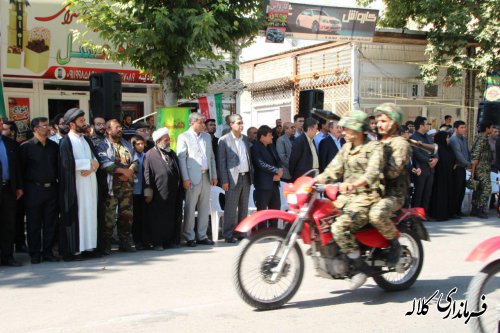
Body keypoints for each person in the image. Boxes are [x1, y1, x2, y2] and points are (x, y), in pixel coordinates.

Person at [316, 110, 385, 289]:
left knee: (339, 227)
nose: (342, 131)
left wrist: (353, 185)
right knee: (323, 220)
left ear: (358, 130)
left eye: (347, 128)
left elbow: (372, 174)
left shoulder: (374, 148)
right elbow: (333, 170)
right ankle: (338, 257)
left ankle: (360, 269)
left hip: (367, 197)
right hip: (347, 198)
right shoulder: (347, 148)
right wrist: (313, 181)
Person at [367, 103, 411, 264]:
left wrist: (374, 166)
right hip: (373, 192)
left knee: (376, 215)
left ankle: (395, 245)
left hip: (393, 195)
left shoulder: (400, 144)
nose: (379, 124)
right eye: (377, 121)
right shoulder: (377, 142)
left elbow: (393, 172)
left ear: (393, 122)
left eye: (383, 121)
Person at [58, 108, 99, 261]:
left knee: (89, 214)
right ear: (72, 124)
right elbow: (66, 164)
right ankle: (76, 250)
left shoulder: (87, 140)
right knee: (79, 215)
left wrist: (92, 167)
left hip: (90, 182)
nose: (84, 123)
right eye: (81, 121)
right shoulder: (65, 142)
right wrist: (88, 164)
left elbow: (96, 161)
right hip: (76, 186)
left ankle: (89, 247)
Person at [19, 117, 60, 264]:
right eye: (44, 126)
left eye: (48, 125)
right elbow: (20, 170)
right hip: (33, 190)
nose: (48, 128)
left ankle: (47, 252)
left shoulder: (54, 146)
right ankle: (35, 254)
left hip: (51, 189)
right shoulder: (25, 147)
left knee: (50, 223)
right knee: (33, 224)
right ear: (35, 129)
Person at [97, 119, 138, 254]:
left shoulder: (126, 144)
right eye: (116, 127)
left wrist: (130, 171)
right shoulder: (102, 145)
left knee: (126, 215)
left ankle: (124, 242)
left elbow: (136, 160)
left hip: (127, 187)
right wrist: (123, 171)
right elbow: (104, 164)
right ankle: (107, 243)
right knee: (108, 217)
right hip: (111, 189)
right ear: (108, 130)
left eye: (120, 127)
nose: (120, 129)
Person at [177, 112, 218, 246]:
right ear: (192, 123)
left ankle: (202, 235)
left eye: (203, 122)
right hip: (192, 177)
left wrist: (214, 175)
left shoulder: (206, 137)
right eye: (200, 122)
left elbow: (211, 157)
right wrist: (185, 178)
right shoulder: (184, 137)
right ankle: (189, 236)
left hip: (206, 175)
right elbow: (181, 159)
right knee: (190, 207)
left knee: (204, 207)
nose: (203, 125)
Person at [144, 128, 184, 249]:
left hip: (173, 193)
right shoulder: (150, 155)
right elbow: (147, 175)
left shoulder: (172, 153)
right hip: (158, 194)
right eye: (166, 140)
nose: (169, 142)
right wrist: (148, 193)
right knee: (158, 218)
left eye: (169, 139)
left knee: (172, 217)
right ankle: (158, 242)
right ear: (158, 141)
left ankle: (171, 241)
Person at [218, 114, 253, 243]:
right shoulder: (224, 140)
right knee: (231, 208)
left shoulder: (245, 139)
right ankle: (228, 234)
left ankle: (241, 232)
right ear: (231, 125)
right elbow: (222, 162)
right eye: (238, 123)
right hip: (232, 178)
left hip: (246, 177)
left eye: (242, 122)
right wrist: (225, 180)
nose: (241, 125)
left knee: (244, 207)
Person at [0, 115, 23, 266]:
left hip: (8, 188)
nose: (1, 124)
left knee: (8, 224)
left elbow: (17, 168)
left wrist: (19, 186)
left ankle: (8, 256)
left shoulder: (10, 143)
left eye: (1, 121)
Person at [251, 125, 282, 222]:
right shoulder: (255, 148)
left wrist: (280, 169)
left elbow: (278, 158)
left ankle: (274, 233)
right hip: (263, 185)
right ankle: (262, 234)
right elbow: (260, 164)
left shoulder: (271, 146)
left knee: (275, 211)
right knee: (262, 213)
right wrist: (275, 171)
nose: (272, 137)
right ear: (262, 137)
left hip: (274, 184)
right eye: (269, 135)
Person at [410, 116, 437, 214]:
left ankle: (424, 213)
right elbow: (416, 153)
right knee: (418, 193)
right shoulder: (413, 138)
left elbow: (434, 149)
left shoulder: (429, 137)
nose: (429, 126)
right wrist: (429, 160)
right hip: (420, 168)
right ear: (421, 125)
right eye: (427, 124)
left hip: (430, 169)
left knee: (427, 193)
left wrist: (436, 159)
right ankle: (415, 214)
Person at [428, 131, 455, 221]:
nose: (448, 139)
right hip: (439, 176)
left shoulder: (448, 148)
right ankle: (438, 214)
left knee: (447, 193)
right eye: (447, 137)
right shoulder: (436, 148)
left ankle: (447, 213)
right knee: (439, 194)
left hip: (448, 175)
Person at [470, 121, 493, 218]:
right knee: (487, 188)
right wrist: (473, 171)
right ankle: (480, 208)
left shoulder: (481, 137)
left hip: (483, 168)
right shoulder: (482, 139)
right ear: (487, 128)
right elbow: (475, 156)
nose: (492, 129)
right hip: (481, 169)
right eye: (491, 127)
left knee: (479, 189)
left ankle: (475, 209)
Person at [449, 120, 471, 218]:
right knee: (456, 190)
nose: (464, 129)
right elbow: (458, 155)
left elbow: (467, 152)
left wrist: (468, 162)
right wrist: (468, 164)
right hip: (456, 168)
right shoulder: (454, 139)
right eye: (461, 127)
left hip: (463, 167)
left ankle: (458, 210)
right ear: (456, 129)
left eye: (464, 127)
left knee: (461, 190)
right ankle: (453, 211)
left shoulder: (464, 139)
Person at [130, 135, 147, 250]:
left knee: (143, 217)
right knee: (135, 218)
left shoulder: (146, 156)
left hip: (143, 190)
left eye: (142, 144)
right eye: (138, 144)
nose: (140, 146)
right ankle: (137, 241)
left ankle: (144, 239)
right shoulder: (131, 157)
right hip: (133, 191)